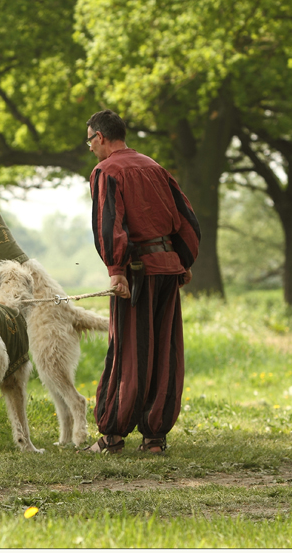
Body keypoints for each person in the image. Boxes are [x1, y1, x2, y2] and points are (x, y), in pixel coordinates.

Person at [82, 109, 201, 455]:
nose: (90, 148)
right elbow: (187, 219)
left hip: (136, 274)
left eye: (90, 141)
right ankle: (154, 438)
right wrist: (183, 259)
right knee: (165, 349)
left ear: (101, 138)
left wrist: (116, 269)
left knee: (127, 351)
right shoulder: (155, 167)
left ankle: (112, 436)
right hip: (168, 268)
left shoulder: (107, 170)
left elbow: (108, 223)